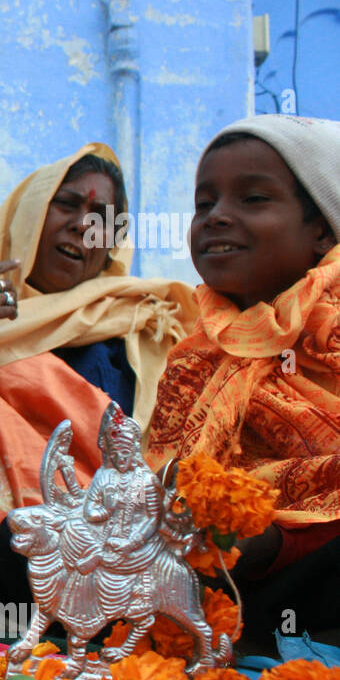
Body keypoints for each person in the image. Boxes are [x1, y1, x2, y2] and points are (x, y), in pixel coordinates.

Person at [0, 144, 199, 579]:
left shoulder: (142, 327)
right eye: (67, 205)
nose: (80, 224)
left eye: (100, 218)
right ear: (29, 214)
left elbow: (157, 462)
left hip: (114, 558)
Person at [145, 115, 340, 640]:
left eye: (252, 199)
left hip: (307, 579)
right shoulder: (194, 360)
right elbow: (159, 486)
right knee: (21, 551)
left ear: (321, 228)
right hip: (202, 582)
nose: (216, 218)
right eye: (204, 204)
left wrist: (269, 542)